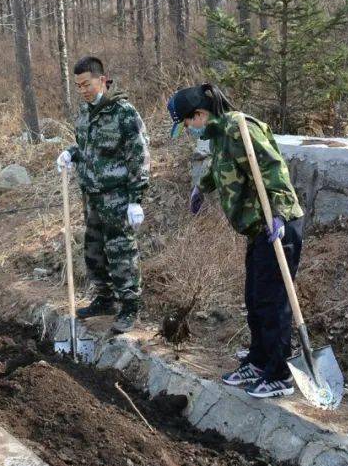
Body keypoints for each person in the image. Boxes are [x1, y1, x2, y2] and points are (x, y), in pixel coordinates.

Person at [168, 83, 305, 399]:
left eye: (187, 123)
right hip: (257, 230)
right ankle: (258, 362)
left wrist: (281, 214)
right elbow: (221, 170)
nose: (188, 129)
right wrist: (201, 188)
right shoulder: (219, 135)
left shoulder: (240, 128)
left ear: (200, 114)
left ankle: (279, 374)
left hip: (277, 228)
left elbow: (274, 169)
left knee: (273, 304)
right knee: (255, 300)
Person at [56, 56, 150, 334]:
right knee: (94, 250)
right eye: (79, 86)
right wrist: (70, 153)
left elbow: (139, 156)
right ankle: (104, 298)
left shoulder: (124, 113)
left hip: (118, 198)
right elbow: (85, 148)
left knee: (121, 251)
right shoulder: (85, 114)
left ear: (102, 79)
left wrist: (136, 199)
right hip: (93, 196)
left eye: (87, 84)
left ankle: (130, 307)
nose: (83, 90)